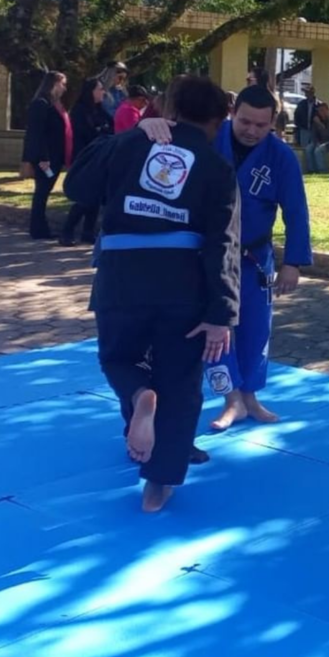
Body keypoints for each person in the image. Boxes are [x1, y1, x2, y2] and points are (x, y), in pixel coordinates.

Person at [63, 75, 242, 513]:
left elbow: (76, 187)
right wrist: (222, 312)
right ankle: (158, 484)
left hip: (121, 278)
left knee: (119, 359)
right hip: (182, 284)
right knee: (180, 380)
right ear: (218, 121)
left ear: (169, 108)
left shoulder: (130, 144)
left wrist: (128, 135)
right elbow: (224, 242)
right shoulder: (216, 167)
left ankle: (139, 395)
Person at [138, 84, 312, 430]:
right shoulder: (207, 138)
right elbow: (159, 138)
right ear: (232, 113)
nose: (251, 131)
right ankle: (230, 399)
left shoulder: (281, 156)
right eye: (245, 121)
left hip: (254, 256)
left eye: (261, 125)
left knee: (256, 328)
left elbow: (296, 210)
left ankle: (250, 397)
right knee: (216, 328)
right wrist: (146, 124)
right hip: (208, 256)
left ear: (273, 122)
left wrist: (292, 263)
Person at [60, 76, 113, 246]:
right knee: (84, 197)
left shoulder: (101, 110)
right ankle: (67, 231)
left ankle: (88, 232)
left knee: (96, 196)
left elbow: (110, 128)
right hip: (85, 158)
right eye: (99, 89)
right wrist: (100, 132)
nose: (103, 92)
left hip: (101, 157)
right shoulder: (80, 111)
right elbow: (85, 134)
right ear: (90, 91)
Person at [20, 70, 71, 240]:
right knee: (41, 192)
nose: (64, 88)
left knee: (44, 192)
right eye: (62, 84)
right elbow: (36, 134)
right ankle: (38, 229)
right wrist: (43, 158)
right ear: (54, 84)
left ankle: (41, 227)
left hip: (55, 156)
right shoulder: (40, 104)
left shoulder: (53, 104)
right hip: (46, 158)